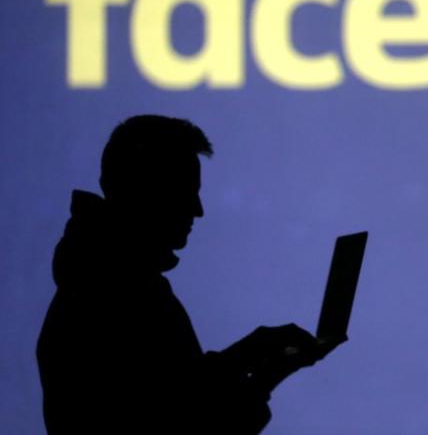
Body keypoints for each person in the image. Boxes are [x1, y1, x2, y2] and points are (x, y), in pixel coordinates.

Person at [37, 115, 340, 434]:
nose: (198, 210)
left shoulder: (103, 281)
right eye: (184, 191)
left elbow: (180, 403)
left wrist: (261, 368)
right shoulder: (118, 292)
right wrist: (254, 362)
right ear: (143, 188)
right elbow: (180, 416)